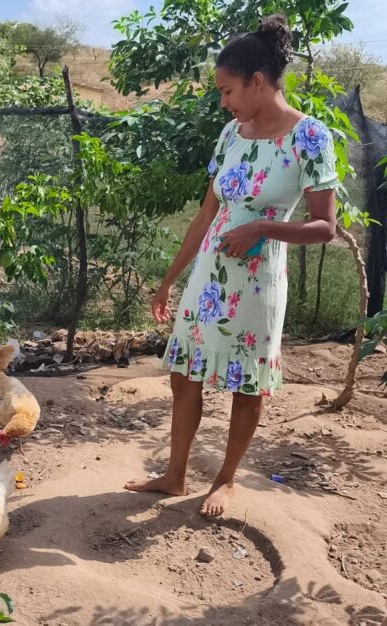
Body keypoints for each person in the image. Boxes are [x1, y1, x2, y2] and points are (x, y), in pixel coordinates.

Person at [125, 14, 339, 516]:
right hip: (208, 279)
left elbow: (325, 226)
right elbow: (208, 212)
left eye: (227, 91)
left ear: (257, 82)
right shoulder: (230, 135)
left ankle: (225, 481)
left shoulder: (310, 137)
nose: (224, 102)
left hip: (258, 283)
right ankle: (175, 476)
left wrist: (263, 228)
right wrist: (169, 280)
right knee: (184, 375)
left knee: (246, 385)